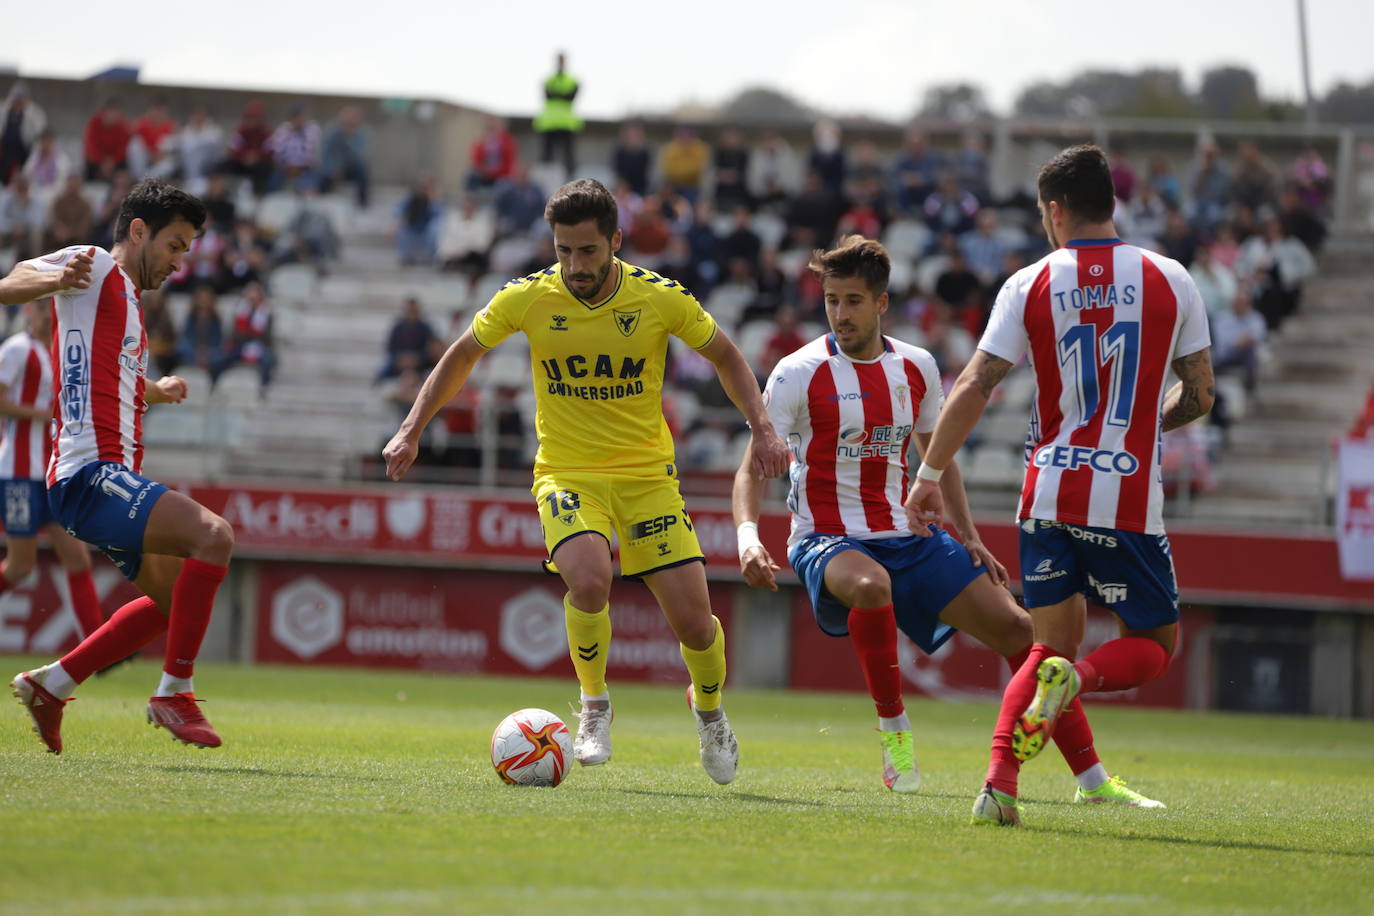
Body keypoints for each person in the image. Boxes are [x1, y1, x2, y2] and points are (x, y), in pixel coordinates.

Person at [383, 178, 789, 784]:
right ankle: (594, 704)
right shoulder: (528, 297)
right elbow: (463, 353)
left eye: (588, 252)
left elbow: (727, 356)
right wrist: (412, 428)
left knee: (695, 625)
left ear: (615, 242)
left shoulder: (658, 298)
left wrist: (760, 426)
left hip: (648, 479)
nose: (574, 265)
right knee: (591, 579)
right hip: (567, 473)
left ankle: (709, 712)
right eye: (563, 250)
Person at [734, 235, 1155, 806]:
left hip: (909, 535)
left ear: (882, 303)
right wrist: (747, 536)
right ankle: (895, 732)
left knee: (1024, 633)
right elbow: (753, 468)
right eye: (832, 300)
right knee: (870, 585)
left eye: (853, 300)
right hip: (827, 538)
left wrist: (971, 536)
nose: (840, 313)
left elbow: (938, 457)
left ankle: (1093, 781)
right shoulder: (797, 372)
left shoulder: (917, 366)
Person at [903, 145, 1214, 826]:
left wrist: (928, 476)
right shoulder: (1170, 279)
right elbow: (1199, 394)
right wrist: (1146, 429)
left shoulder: (1031, 282)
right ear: (1113, 203)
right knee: (1155, 645)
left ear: (1055, 210)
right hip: (1125, 493)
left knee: (1045, 646)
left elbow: (976, 383)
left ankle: (997, 787)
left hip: (1045, 492)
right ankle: (1083, 679)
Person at [1, 179, 236, 754]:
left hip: (103, 476)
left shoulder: (127, 302)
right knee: (213, 536)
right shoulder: (95, 265)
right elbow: (8, 283)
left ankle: (50, 685)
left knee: (173, 598)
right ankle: (173, 692)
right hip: (89, 473)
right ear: (138, 231)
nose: (180, 261)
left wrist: (157, 389)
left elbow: (113, 381)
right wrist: (54, 278)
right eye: (175, 245)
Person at [0, 300, 103, 639]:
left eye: (53, 310)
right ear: (30, 311)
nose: (49, 316)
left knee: (77, 557)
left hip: (52, 474)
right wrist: (40, 415)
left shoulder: (60, 353)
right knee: (20, 567)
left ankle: (98, 647)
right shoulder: (17, 349)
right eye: (44, 309)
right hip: (18, 473)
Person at [533, 52, 581, 177]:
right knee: (547, 155)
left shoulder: (571, 80)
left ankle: (571, 178)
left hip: (566, 123)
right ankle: (546, 177)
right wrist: (562, 95)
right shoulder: (549, 80)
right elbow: (550, 96)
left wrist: (557, 94)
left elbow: (570, 97)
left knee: (568, 156)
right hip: (550, 122)